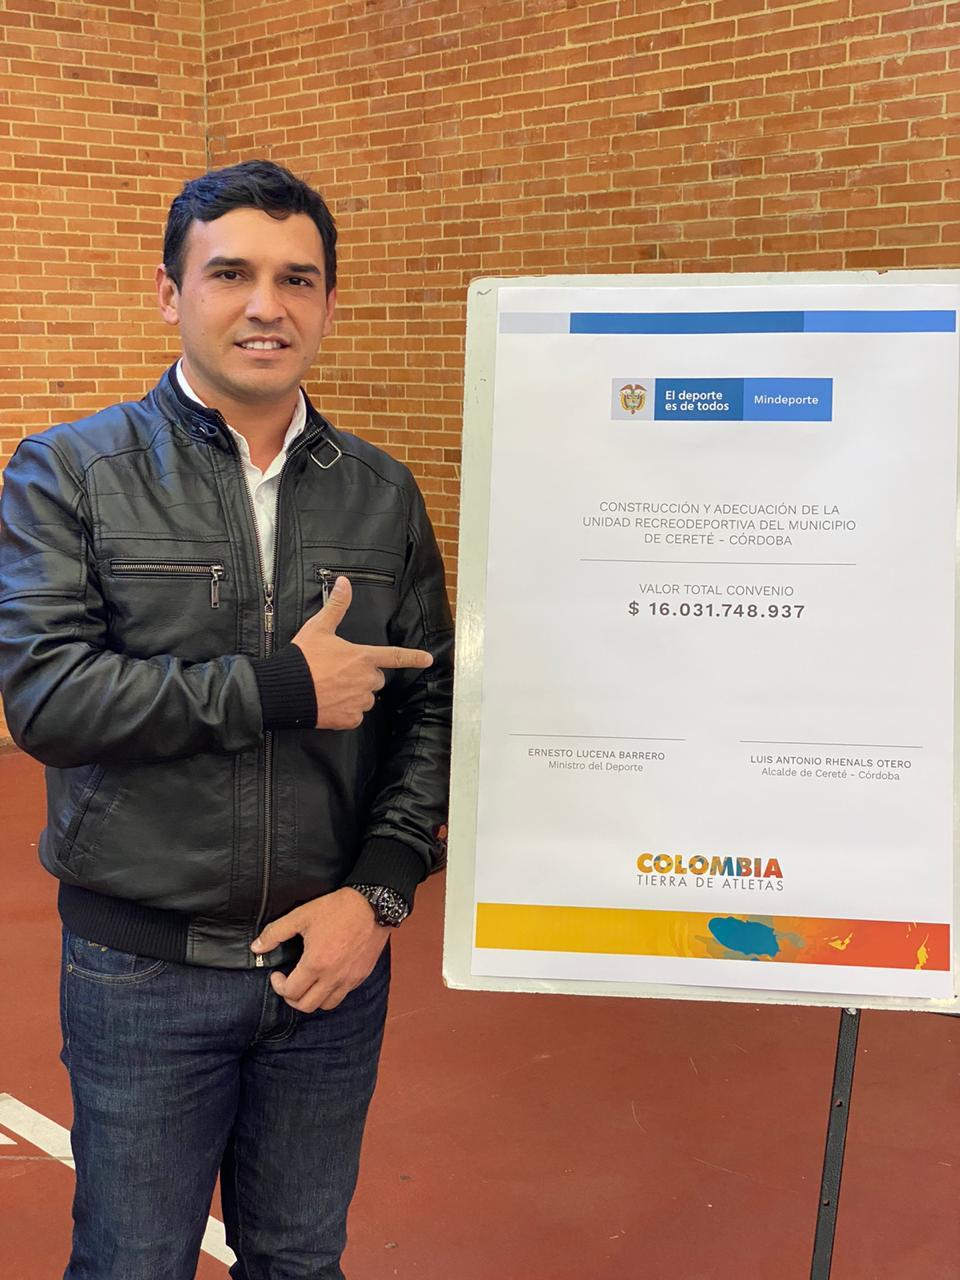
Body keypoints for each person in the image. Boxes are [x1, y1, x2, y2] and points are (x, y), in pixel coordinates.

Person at [0, 160, 453, 1280]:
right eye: (231, 274)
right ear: (171, 293)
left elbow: (431, 709)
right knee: (132, 1262)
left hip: (329, 964)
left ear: (329, 303)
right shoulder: (71, 473)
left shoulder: (382, 494)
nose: (267, 306)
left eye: (297, 279)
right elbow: (47, 697)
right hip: (142, 971)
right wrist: (278, 687)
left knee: (300, 1259)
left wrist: (379, 893)